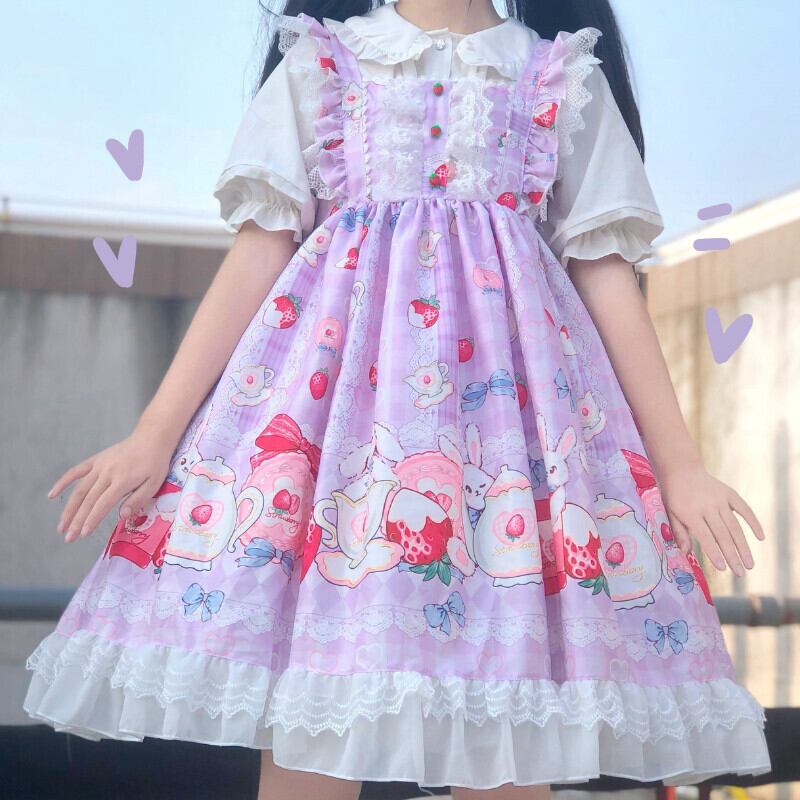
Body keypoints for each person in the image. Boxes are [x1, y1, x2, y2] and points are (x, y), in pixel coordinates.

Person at [24, 1, 772, 797]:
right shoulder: (323, 62)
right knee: (317, 709)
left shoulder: (558, 77)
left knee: (509, 722)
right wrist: (154, 433)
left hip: (509, 449)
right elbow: (258, 251)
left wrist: (681, 466)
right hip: (337, 440)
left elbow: (606, 273)